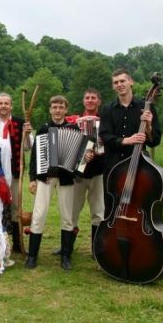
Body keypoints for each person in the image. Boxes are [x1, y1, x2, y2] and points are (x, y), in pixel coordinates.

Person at [26, 95, 79, 271]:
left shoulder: (74, 129)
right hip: (45, 177)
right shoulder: (43, 129)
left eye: (61, 107)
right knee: (39, 214)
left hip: (66, 178)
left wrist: (81, 163)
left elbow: (80, 154)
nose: (57, 110)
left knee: (67, 216)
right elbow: (34, 156)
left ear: (66, 109)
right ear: (50, 109)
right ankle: (32, 256)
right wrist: (32, 178)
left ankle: (66, 256)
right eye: (54, 107)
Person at [99, 68, 161, 215]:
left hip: (140, 167)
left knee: (141, 206)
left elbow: (154, 141)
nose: (119, 84)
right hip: (113, 168)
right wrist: (127, 140)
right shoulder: (107, 109)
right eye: (116, 82)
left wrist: (149, 126)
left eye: (122, 81)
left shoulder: (146, 106)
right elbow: (105, 136)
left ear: (130, 82)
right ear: (113, 86)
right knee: (111, 209)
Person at [58, 89, 105, 258]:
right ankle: (67, 247)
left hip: (99, 171)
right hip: (78, 172)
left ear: (99, 101)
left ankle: (96, 248)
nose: (90, 100)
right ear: (83, 101)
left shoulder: (106, 120)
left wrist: (99, 149)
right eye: (87, 98)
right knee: (72, 210)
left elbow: (109, 142)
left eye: (93, 98)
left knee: (98, 211)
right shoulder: (73, 121)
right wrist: (81, 154)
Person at [0, 92, 32, 253]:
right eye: (0, 103)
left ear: (11, 106)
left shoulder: (19, 123)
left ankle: (17, 243)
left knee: (15, 206)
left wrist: (28, 135)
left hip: (15, 170)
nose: (3, 106)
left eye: (6, 103)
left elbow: (27, 147)